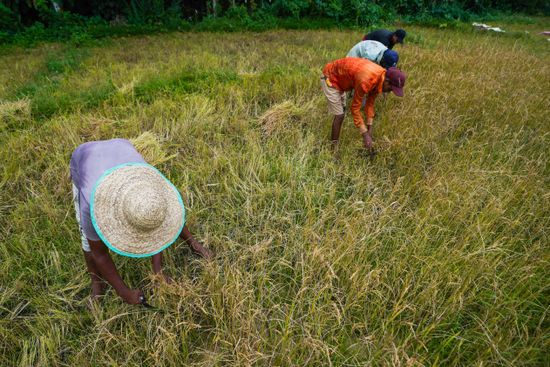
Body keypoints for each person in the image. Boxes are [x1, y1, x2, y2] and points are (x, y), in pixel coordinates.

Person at [70, 138, 212, 305]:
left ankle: (193, 244)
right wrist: (124, 292)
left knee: (161, 216)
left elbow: (159, 225)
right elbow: (99, 254)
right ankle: (97, 283)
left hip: (121, 149)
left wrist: (157, 269)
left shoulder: (153, 185)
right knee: (87, 242)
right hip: (86, 160)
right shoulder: (91, 204)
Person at [320, 58, 406, 151]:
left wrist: (369, 128)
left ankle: (334, 145)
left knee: (342, 111)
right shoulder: (366, 80)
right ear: (387, 81)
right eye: (390, 89)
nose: (389, 92)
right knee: (340, 115)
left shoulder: (380, 77)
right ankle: (333, 149)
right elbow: (355, 108)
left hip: (341, 81)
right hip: (330, 77)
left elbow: (370, 103)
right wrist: (365, 134)